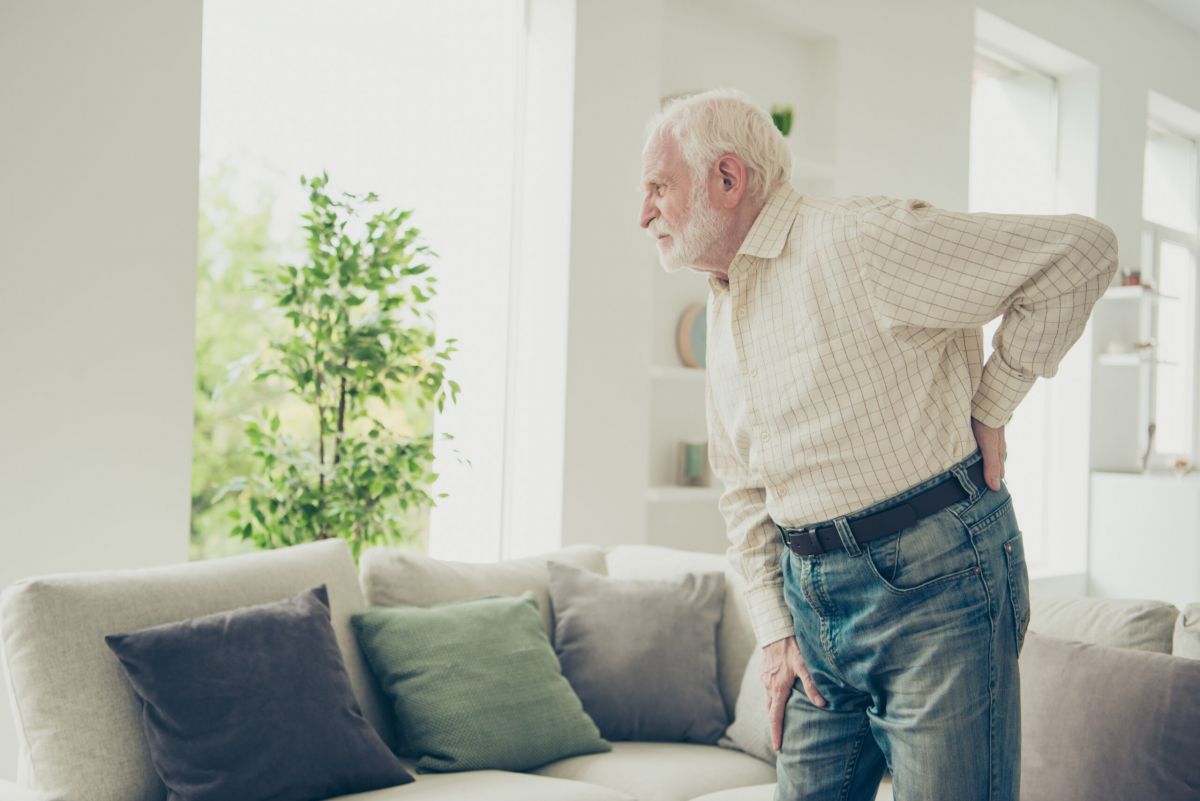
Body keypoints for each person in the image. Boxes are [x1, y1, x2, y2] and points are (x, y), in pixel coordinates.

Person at [638, 89, 1119, 801]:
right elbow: (742, 490)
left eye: (658, 187)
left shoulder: (860, 241)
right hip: (812, 610)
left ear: (728, 179)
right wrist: (776, 632)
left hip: (940, 588)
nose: (643, 213)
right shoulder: (725, 296)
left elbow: (1082, 254)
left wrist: (993, 403)